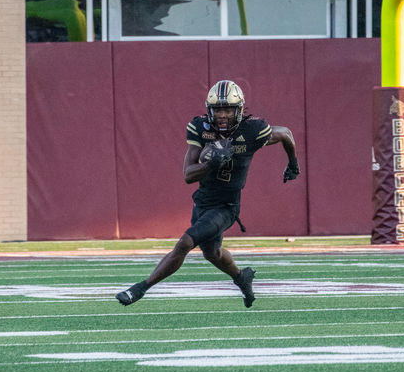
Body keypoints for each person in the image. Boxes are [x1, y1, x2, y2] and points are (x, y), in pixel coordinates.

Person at [116, 80, 300, 307]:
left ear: (239, 109)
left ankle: (140, 289)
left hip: (227, 206)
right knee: (212, 253)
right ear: (209, 110)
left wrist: (293, 164)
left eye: (228, 109)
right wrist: (211, 164)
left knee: (185, 242)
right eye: (218, 110)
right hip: (203, 202)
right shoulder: (201, 128)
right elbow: (188, 175)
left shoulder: (252, 130)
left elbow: (285, 133)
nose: (222, 115)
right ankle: (242, 277)